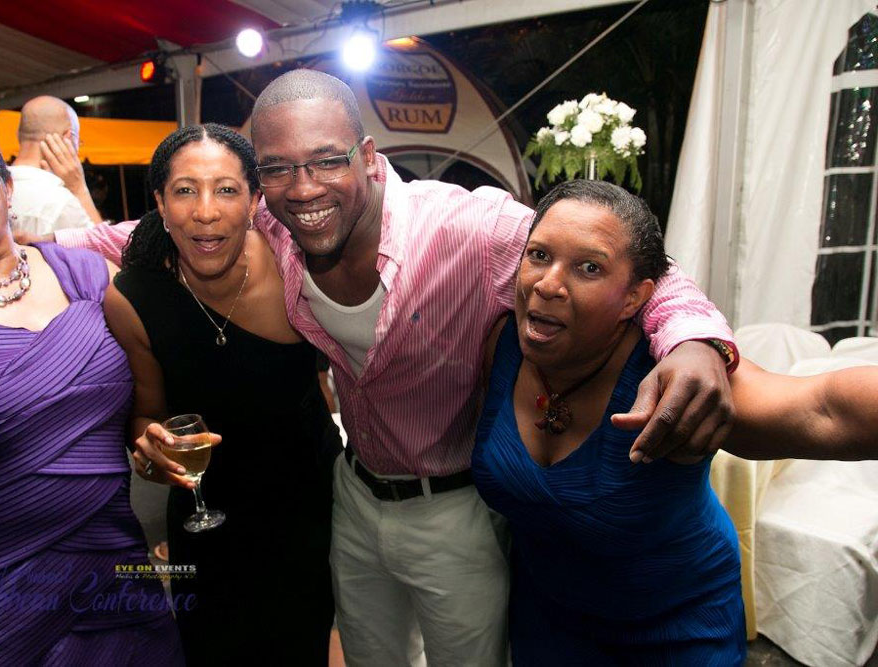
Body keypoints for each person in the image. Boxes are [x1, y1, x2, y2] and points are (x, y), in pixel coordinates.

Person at [69, 70, 738, 666]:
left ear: (367, 157)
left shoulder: (467, 230)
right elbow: (131, 234)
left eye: (326, 160)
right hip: (354, 495)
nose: (303, 188)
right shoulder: (272, 220)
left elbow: (637, 265)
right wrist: (26, 251)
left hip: (452, 508)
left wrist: (694, 341)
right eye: (277, 169)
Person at [472, 180, 878, 664]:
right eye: (539, 255)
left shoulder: (676, 375)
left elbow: (823, 409)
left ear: (634, 298)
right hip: (547, 624)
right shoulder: (499, 344)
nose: (548, 284)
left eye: (589, 267)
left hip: (677, 630)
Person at [0, 116, 183, 665]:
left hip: (111, 572)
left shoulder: (91, 275)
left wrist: (152, 444)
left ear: (6, 185)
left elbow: (143, 408)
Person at [104, 123, 342, 665]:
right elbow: (145, 416)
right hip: (205, 519)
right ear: (160, 203)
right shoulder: (133, 298)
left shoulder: (294, 265)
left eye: (227, 190)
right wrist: (153, 453)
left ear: (255, 202)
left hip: (309, 510)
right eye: (185, 190)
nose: (205, 211)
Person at [9, 95, 103, 235]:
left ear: (18, 135)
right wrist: (80, 190)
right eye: (78, 140)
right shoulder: (63, 203)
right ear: (68, 138)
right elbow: (104, 244)